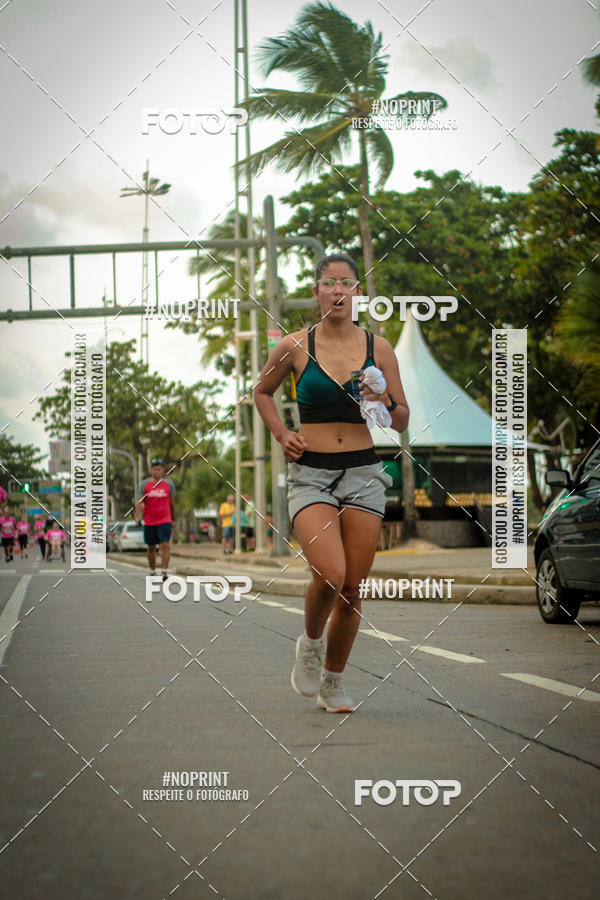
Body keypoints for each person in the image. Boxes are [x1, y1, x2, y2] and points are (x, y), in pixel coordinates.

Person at [254, 253, 409, 713]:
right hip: (312, 475)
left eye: (346, 282)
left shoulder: (379, 348)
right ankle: (310, 644)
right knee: (329, 573)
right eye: (328, 282)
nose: (338, 290)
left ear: (357, 291)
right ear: (317, 291)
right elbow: (261, 392)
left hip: (363, 472)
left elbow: (402, 419)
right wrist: (282, 434)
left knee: (353, 587)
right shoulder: (294, 346)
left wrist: (384, 398)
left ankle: (334, 682)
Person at [135, 457, 175, 581]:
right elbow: (139, 502)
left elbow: (172, 503)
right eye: (155, 469)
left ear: (162, 471)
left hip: (165, 519)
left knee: (165, 544)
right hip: (150, 520)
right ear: (151, 470)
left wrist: (173, 518)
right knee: (151, 547)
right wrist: (138, 517)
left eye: (159, 469)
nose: (157, 471)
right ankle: (152, 571)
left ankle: (164, 571)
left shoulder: (169, 484)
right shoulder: (144, 485)